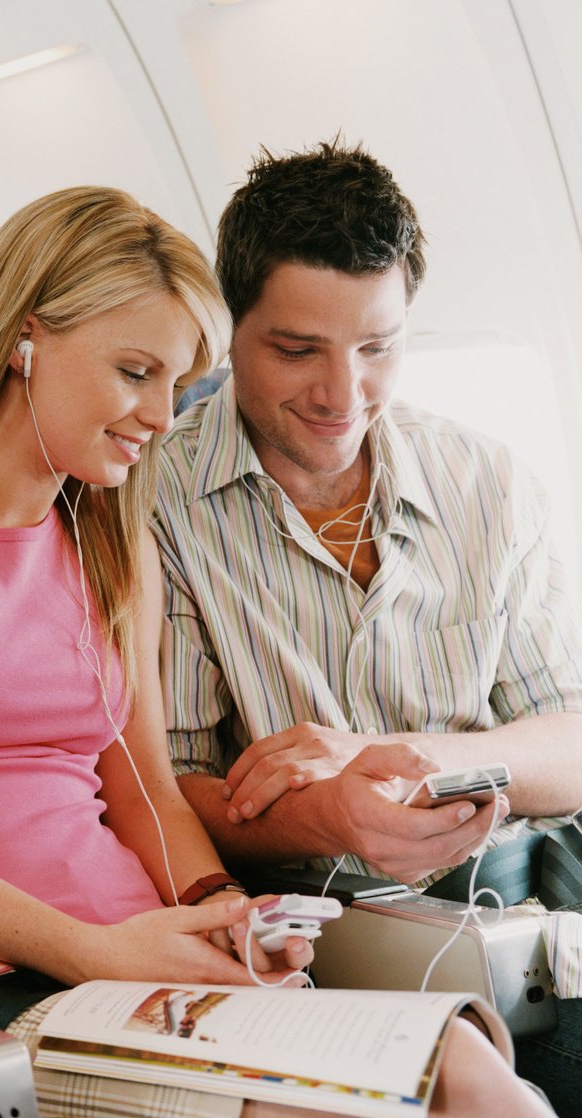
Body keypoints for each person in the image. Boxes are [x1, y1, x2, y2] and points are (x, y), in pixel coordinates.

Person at [0, 186, 544, 1117]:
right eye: (135, 372)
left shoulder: (110, 540)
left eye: (179, 386)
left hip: (137, 959)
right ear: (26, 338)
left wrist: (226, 909)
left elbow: (142, 785)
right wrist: (94, 950)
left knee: (475, 1078)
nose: (160, 415)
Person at [153, 140, 582, 1107]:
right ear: (231, 330)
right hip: (323, 924)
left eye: (378, 349)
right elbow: (164, 791)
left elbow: (572, 737)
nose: (342, 396)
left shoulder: (488, 482)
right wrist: (329, 812)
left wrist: (396, 756)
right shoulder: (156, 503)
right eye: (298, 351)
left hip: (528, 900)